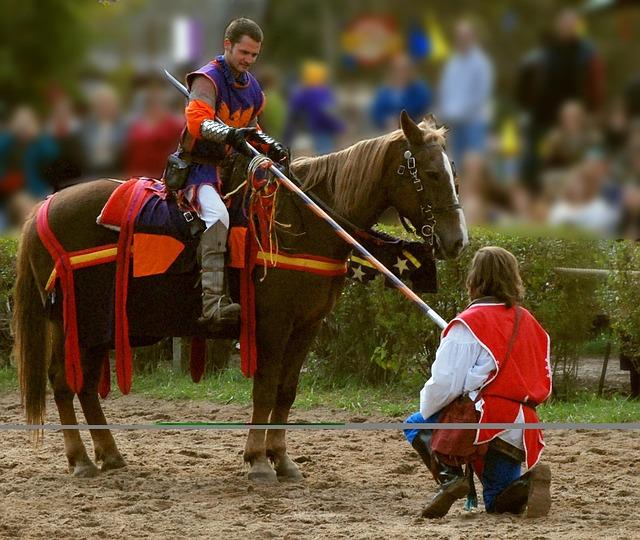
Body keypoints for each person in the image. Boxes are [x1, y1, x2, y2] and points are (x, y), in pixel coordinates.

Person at [403, 247, 552, 518]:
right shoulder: (530, 322)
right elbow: (543, 375)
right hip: (521, 427)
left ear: (474, 279)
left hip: (482, 420)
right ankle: (528, 482)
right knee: (498, 503)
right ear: (513, 278)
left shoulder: (469, 324)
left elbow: (445, 384)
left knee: (416, 424)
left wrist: (431, 411)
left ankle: (451, 478)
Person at [176, 17, 288, 325]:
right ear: (228, 45)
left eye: (254, 55)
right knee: (218, 216)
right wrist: (228, 134)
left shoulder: (252, 88)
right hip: (198, 170)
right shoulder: (207, 79)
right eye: (244, 52)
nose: (249, 60)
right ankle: (212, 305)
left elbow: (251, 128)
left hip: (232, 174)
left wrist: (271, 146)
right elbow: (196, 122)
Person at [437, 19, 493, 165]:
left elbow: (481, 94)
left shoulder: (481, 63)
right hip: (455, 121)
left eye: (465, 36)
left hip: (474, 121)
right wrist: (446, 111)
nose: (462, 39)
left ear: (472, 37)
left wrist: (459, 111)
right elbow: (445, 90)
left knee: (474, 159)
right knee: (456, 161)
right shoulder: (452, 63)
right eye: (459, 36)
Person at [370, 53, 432, 132]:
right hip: (387, 131)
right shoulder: (384, 92)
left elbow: (423, 109)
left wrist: (402, 120)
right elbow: (376, 112)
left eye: (404, 69)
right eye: (398, 69)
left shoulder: (419, 90)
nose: (401, 73)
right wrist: (386, 120)